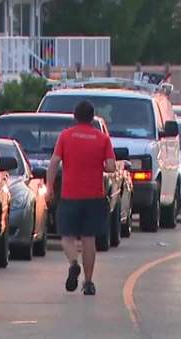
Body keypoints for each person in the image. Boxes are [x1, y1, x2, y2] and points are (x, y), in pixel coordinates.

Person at [46, 100, 116, 296]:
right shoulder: (102, 139)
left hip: (70, 195)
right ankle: (89, 282)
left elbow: (54, 163)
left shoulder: (65, 136)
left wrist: (50, 186)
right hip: (94, 195)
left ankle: (73, 263)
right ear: (92, 117)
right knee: (89, 239)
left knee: (67, 236)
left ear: (75, 116)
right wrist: (97, 166)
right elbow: (111, 166)